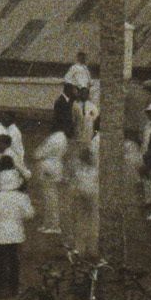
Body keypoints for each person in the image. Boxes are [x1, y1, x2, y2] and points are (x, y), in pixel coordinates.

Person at [0, 166, 34, 297]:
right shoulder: (22, 197)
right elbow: (29, 214)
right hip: (16, 233)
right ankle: (14, 287)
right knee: (14, 261)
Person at [34, 98, 71, 237]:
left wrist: (36, 154)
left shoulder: (56, 138)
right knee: (50, 197)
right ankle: (49, 223)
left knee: (50, 198)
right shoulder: (62, 137)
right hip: (54, 167)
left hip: (49, 168)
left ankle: (53, 225)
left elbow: (40, 153)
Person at [65, 126, 100, 256]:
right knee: (92, 222)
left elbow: (70, 179)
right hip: (92, 194)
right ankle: (92, 249)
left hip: (81, 193)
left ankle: (80, 248)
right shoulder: (95, 169)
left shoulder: (78, 167)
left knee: (81, 221)